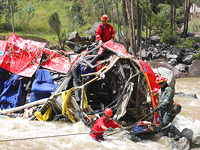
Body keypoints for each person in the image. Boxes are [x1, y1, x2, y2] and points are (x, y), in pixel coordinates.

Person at [154, 76, 182, 141]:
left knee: (166, 122)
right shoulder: (160, 90)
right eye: (158, 84)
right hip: (162, 109)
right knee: (162, 123)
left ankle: (177, 133)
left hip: (167, 108)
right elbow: (160, 99)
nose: (159, 85)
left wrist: (159, 107)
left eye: (160, 83)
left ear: (164, 82)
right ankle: (164, 134)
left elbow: (166, 101)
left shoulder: (169, 91)